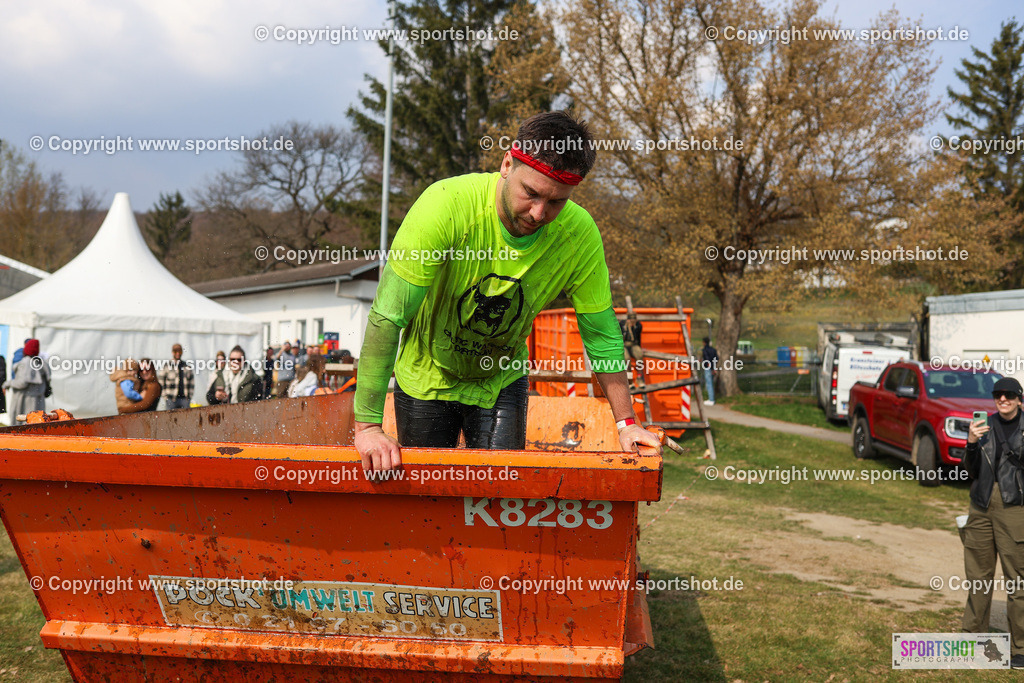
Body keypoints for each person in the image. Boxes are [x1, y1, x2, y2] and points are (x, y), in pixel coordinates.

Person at [354, 111, 660, 473]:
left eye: (556, 202)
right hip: (425, 377)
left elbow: (601, 334)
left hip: (500, 379)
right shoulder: (445, 205)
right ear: (506, 164)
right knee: (430, 502)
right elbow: (389, 315)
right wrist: (369, 427)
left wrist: (626, 423)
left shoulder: (579, 236)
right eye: (530, 193)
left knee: (499, 495)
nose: (538, 212)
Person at [963, 376, 1024, 669]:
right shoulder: (983, 426)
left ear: (1019, 398)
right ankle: (973, 639)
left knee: (1018, 581)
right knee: (977, 577)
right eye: (998, 394)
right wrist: (972, 443)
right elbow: (972, 470)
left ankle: (1020, 649)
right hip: (981, 504)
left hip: (1014, 507)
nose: (1003, 399)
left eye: (1009, 394)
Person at [3, 339, 47, 424]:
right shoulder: (42, 363)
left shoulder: (25, 363)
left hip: (23, 401)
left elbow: (21, 383)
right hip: (38, 401)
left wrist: (7, 384)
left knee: (20, 428)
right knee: (36, 427)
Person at [158, 343, 195, 410]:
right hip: (171, 399)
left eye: (179, 351)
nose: (178, 353)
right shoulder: (166, 366)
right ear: (172, 352)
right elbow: (161, 381)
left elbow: (191, 382)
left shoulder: (186, 366)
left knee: (185, 419)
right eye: (175, 351)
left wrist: (189, 397)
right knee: (170, 419)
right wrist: (165, 396)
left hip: (184, 399)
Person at [701, 336, 719, 405]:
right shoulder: (713, 350)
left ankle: (711, 399)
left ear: (704, 342)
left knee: (709, 383)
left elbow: (707, 359)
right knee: (711, 383)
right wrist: (714, 368)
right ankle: (711, 398)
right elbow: (716, 358)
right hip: (713, 367)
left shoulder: (705, 350)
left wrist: (710, 366)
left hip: (708, 368)